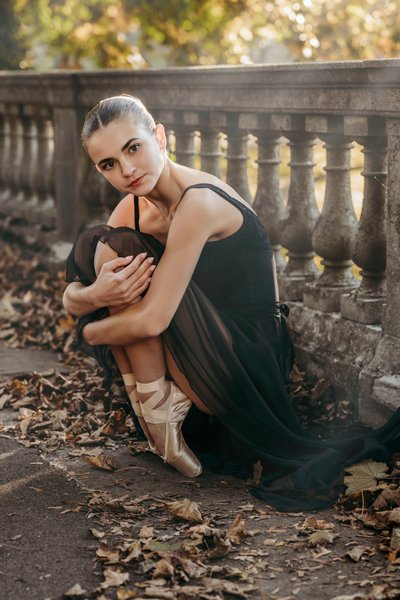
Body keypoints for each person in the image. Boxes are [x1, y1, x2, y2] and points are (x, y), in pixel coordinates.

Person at [63, 94, 400, 511]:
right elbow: (74, 292)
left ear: (160, 137)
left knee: (119, 253)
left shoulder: (199, 202)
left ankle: (157, 413)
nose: (126, 170)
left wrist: (88, 330)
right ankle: (159, 409)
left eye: (133, 148)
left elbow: (151, 322)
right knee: (101, 244)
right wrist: (95, 295)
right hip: (195, 357)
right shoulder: (131, 211)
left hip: (242, 368)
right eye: (108, 164)